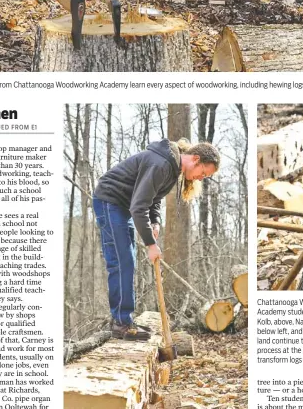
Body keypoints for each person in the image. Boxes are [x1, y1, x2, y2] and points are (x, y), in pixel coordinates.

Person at [92, 137, 220, 340]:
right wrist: (151, 244)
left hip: (123, 206)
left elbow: (155, 197)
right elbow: (138, 206)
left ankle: (124, 320)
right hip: (110, 200)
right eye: (203, 173)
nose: (200, 178)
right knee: (121, 261)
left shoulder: (173, 168)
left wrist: (155, 220)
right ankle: (120, 323)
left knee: (128, 261)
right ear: (195, 159)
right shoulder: (161, 164)